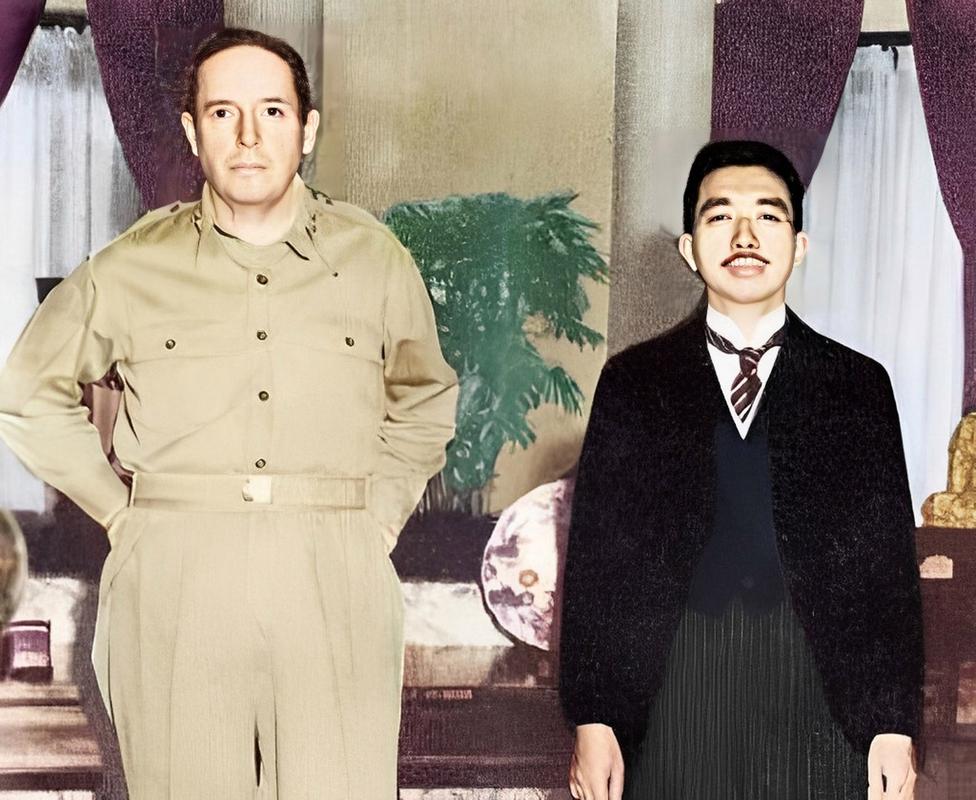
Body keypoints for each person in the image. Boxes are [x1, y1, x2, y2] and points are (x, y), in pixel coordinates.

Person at [0, 27, 458, 800]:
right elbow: (25, 392)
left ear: (308, 129)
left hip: (333, 567)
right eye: (222, 113)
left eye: (273, 111)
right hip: (175, 568)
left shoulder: (375, 259)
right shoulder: (130, 265)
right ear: (192, 132)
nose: (249, 136)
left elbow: (424, 396)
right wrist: (119, 514)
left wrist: (378, 515)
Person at [559, 140, 923, 800]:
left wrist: (893, 724)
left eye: (769, 215)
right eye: (721, 216)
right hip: (671, 693)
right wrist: (593, 716)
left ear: (800, 245)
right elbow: (598, 565)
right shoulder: (634, 384)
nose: (745, 236)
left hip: (820, 693)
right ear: (689, 248)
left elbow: (887, 572)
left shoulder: (857, 387)